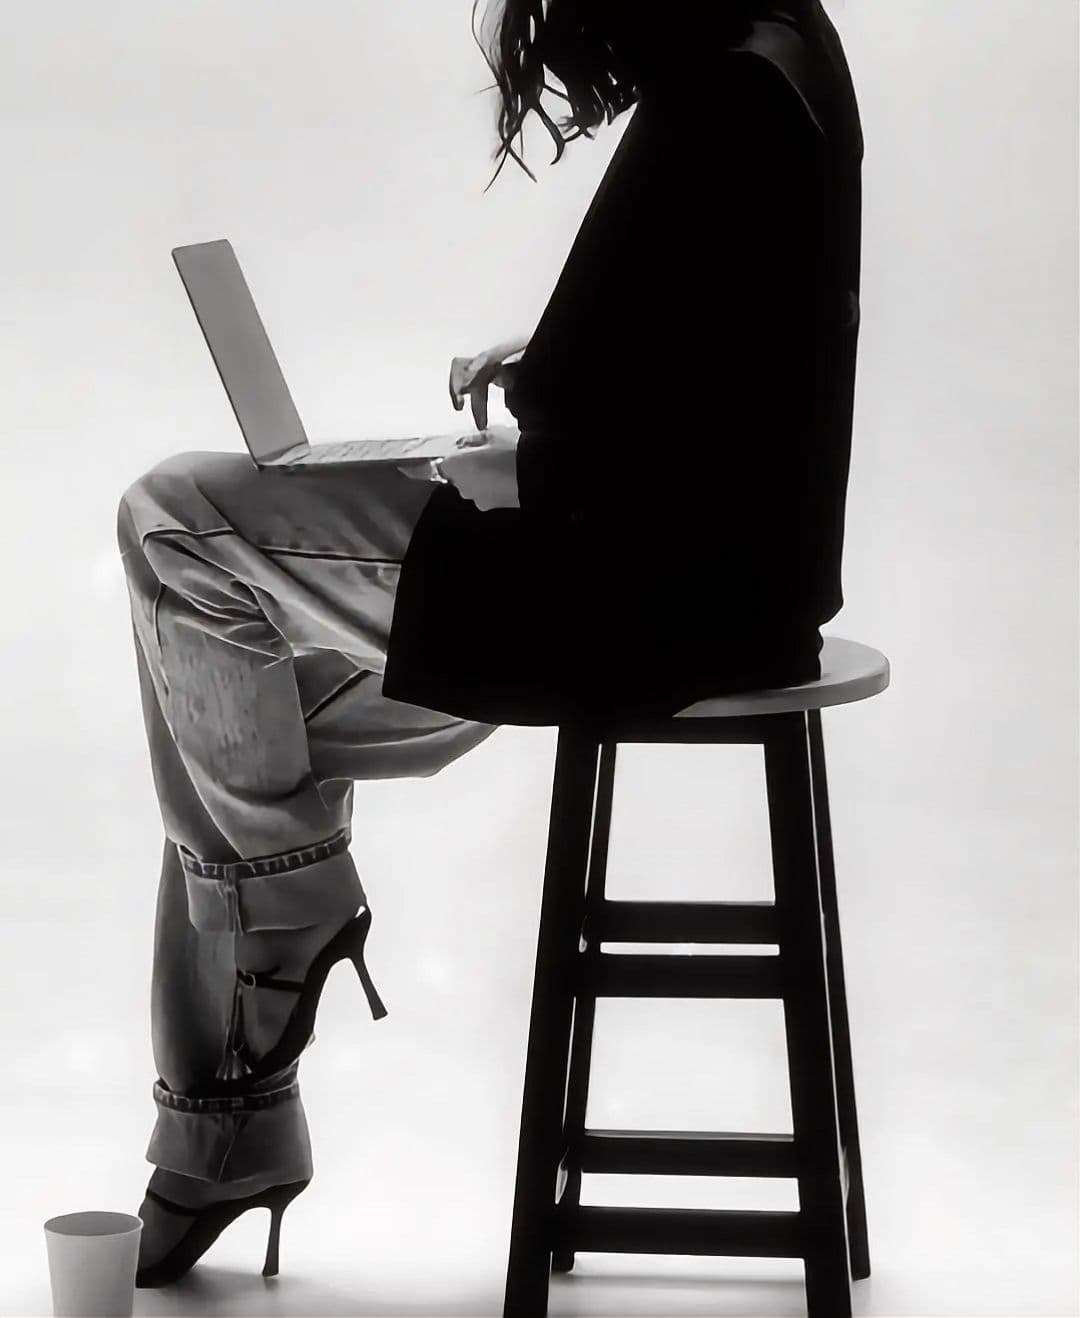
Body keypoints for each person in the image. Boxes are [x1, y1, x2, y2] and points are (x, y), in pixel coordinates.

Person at [118, 0, 864, 1286]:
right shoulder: (792, 42)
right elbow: (733, 344)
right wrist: (559, 367)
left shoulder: (719, 96)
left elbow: (586, 403)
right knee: (231, 700)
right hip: (716, 585)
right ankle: (229, 1109)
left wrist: (527, 418)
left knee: (174, 518)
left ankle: (274, 970)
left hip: (614, 596)